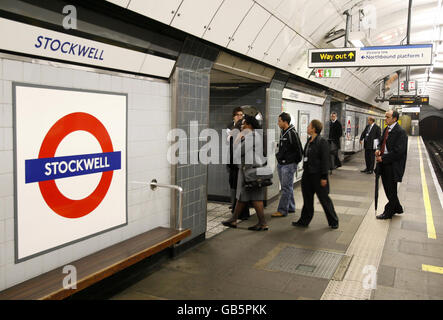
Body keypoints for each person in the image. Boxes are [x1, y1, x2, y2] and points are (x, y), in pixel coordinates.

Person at [222, 114, 268, 231]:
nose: (241, 126)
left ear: (249, 125)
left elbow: (238, 152)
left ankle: (262, 223)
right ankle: (234, 219)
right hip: (248, 170)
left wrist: (237, 140)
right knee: (242, 196)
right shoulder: (253, 135)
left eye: (243, 123)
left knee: (256, 198)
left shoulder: (251, 136)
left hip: (251, 171)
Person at [293, 120, 339, 229]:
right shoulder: (309, 141)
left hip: (318, 175)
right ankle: (304, 221)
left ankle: (333, 221)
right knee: (307, 199)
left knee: (324, 199)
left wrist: (324, 177)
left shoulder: (322, 142)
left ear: (314, 129)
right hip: (307, 174)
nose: (307, 127)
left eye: (309, 126)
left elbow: (325, 160)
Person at [375, 110, 408, 220]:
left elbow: (399, 152)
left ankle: (388, 212)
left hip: (392, 165)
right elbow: (381, 142)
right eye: (385, 117)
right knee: (388, 189)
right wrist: (378, 150)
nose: (386, 119)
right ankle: (397, 208)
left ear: (394, 119)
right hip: (384, 163)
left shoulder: (401, 132)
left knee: (390, 189)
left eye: (388, 117)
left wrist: (382, 158)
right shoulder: (386, 129)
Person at [272, 112, 303, 218]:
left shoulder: (292, 133)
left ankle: (282, 210)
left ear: (285, 122)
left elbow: (299, 150)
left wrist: (293, 163)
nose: (278, 123)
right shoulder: (283, 131)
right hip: (282, 164)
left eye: (279, 121)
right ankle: (290, 207)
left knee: (285, 188)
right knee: (288, 187)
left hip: (288, 165)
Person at [227, 107, 250, 220]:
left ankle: (241, 213)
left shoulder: (243, 131)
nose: (240, 117)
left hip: (240, 164)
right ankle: (236, 210)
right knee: (234, 187)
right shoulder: (231, 128)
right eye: (238, 115)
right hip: (233, 163)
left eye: (242, 115)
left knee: (240, 188)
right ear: (234, 116)